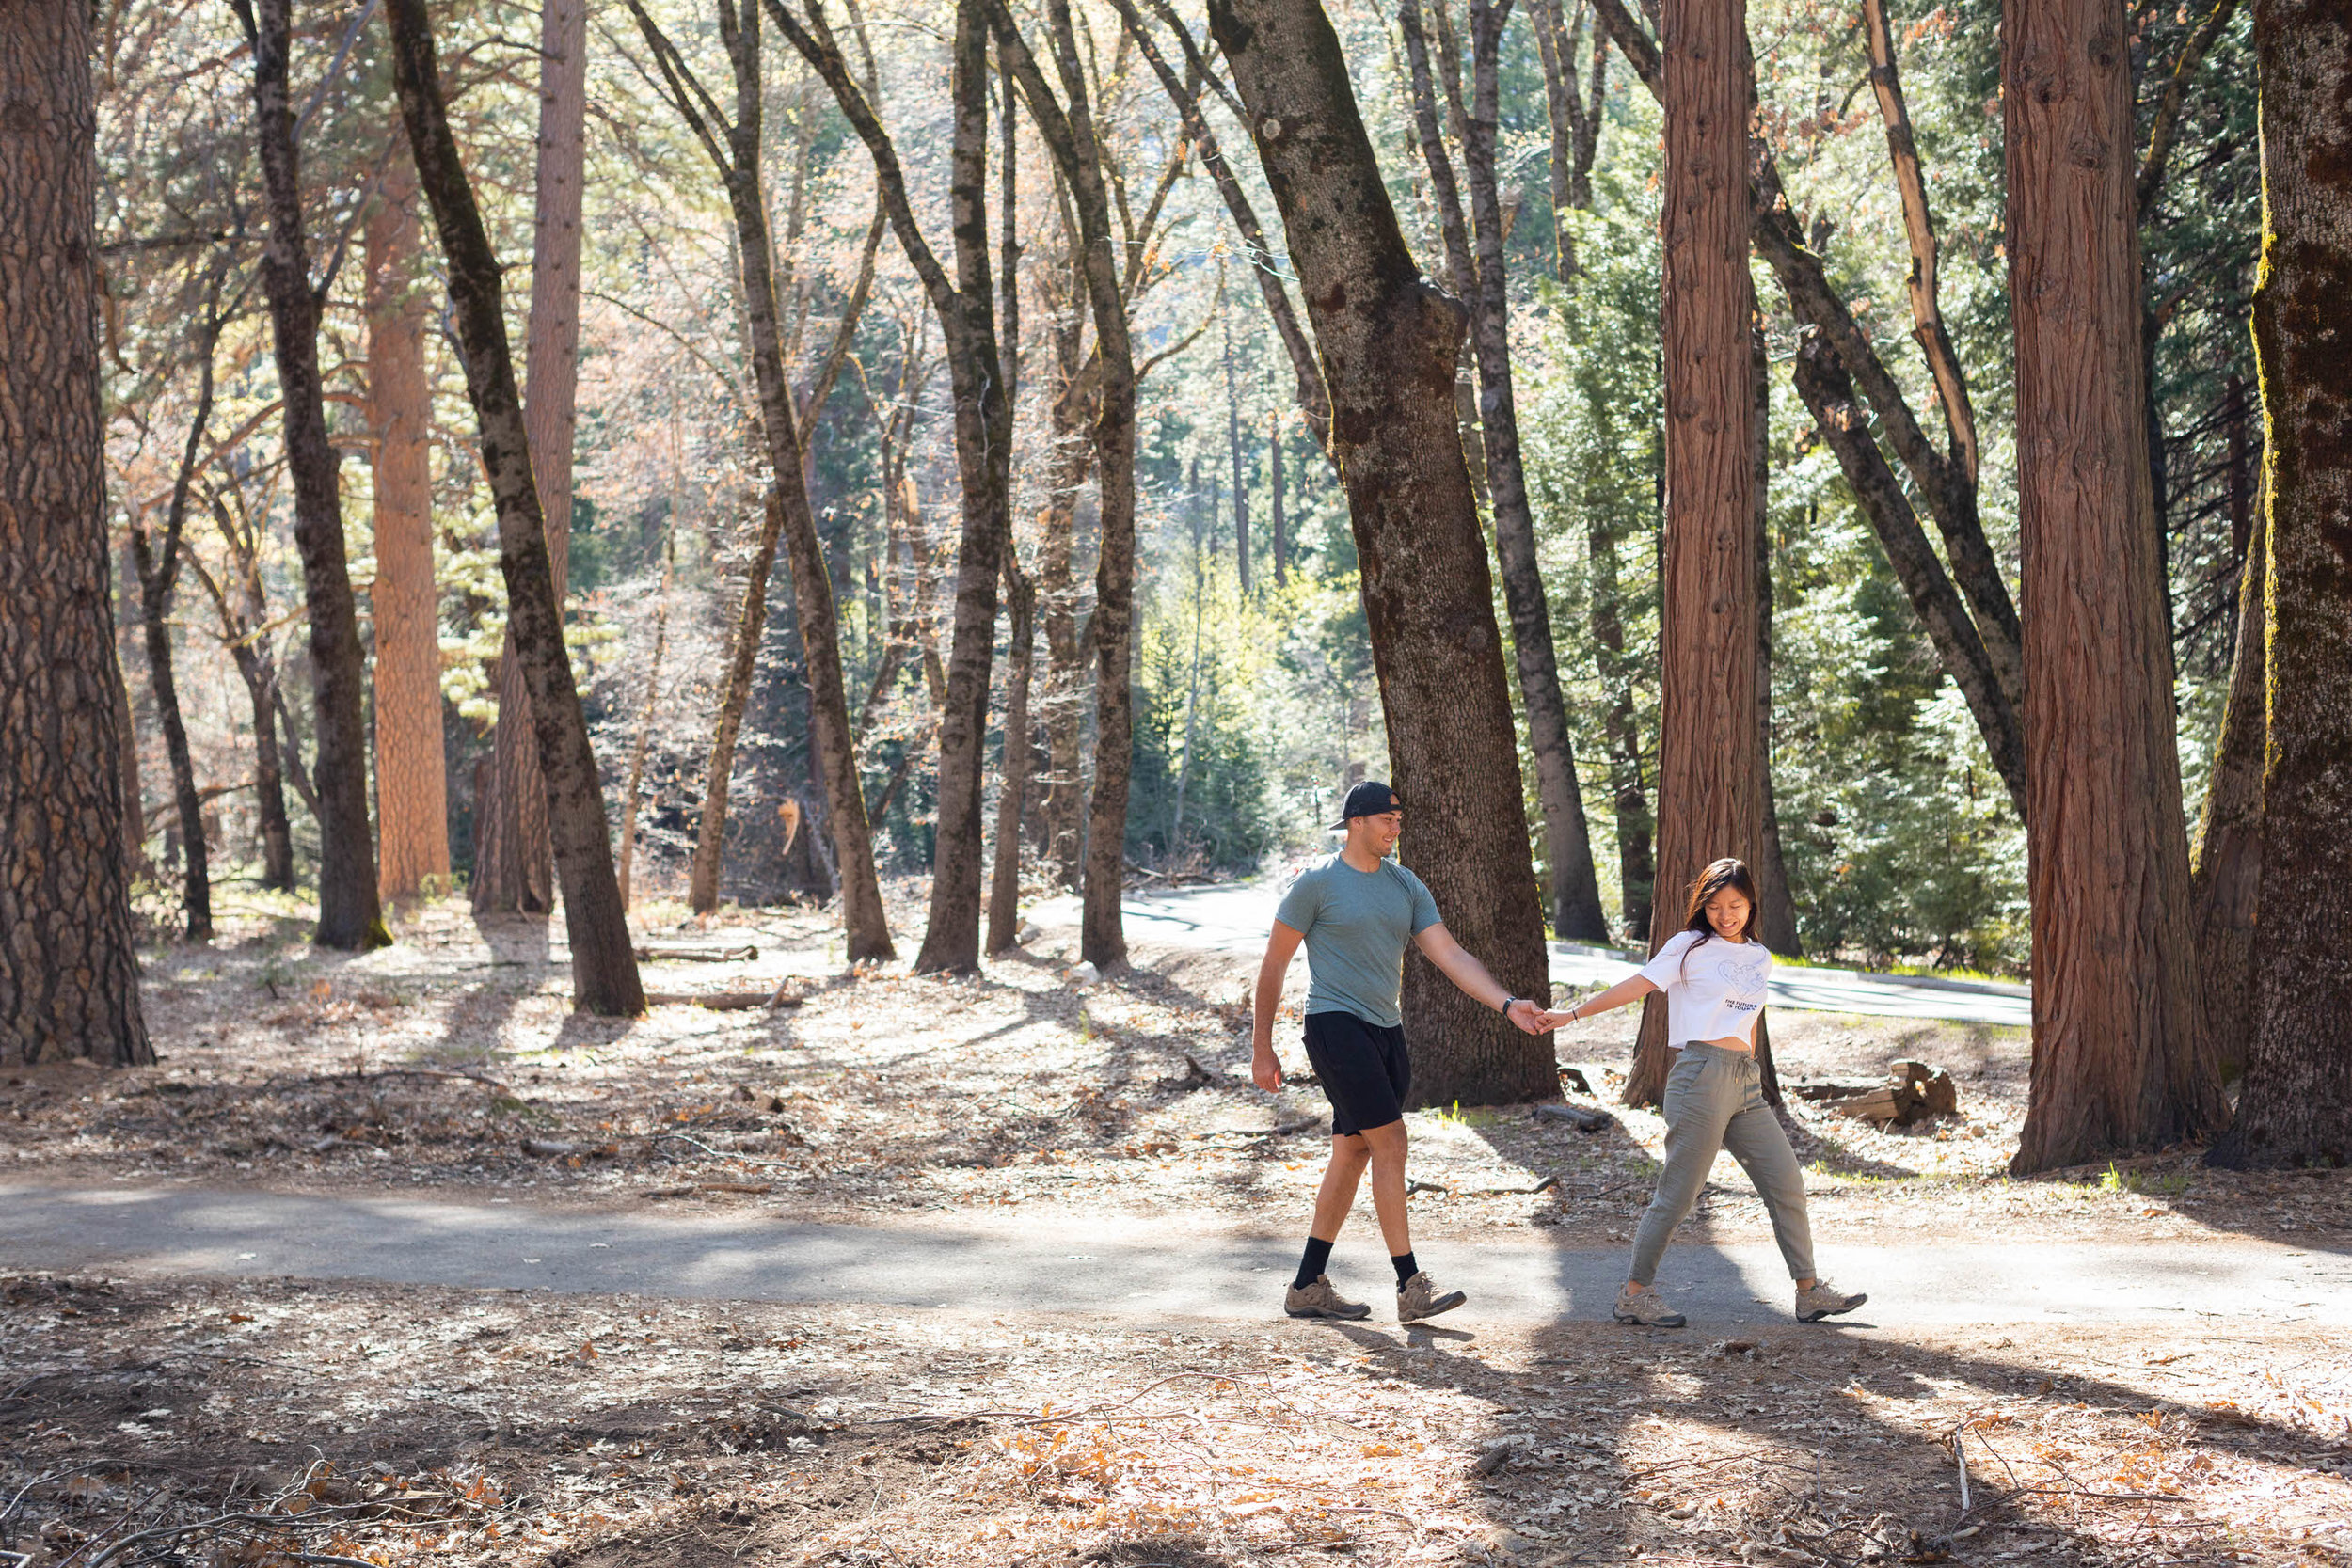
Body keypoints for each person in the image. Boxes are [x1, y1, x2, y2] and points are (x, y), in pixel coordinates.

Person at [1252, 780, 1553, 1323]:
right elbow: (1274, 964)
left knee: (1353, 1152)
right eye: (1386, 819)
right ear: (1356, 823)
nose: (1396, 827)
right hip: (1334, 1025)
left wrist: (1508, 1005)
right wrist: (1262, 1047)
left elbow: (1451, 955)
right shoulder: (1316, 884)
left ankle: (1306, 1286)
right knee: (1390, 1142)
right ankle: (1411, 1286)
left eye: (1398, 819)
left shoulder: (1405, 885)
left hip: (1387, 1032)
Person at [1544, 858, 1866, 1328]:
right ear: (1703, 907)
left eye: (1735, 905)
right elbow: (1636, 986)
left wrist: (1750, 1072)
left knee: (1786, 1182)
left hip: (1745, 1081)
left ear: (1751, 904)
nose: (1725, 915)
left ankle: (1809, 1292)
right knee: (1679, 1192)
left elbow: (1749, 1021)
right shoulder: (1688, 946)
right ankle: (1634, 1294)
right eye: (1715, 906)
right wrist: (1572, 1015)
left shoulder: (1759, 956)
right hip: (1700, 1077)